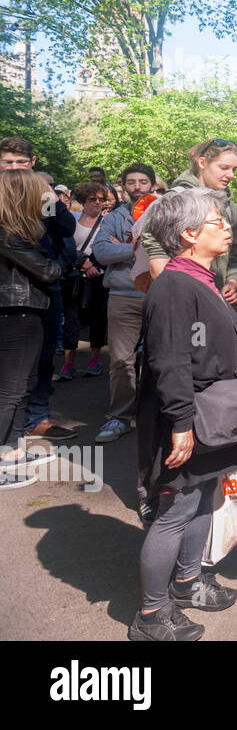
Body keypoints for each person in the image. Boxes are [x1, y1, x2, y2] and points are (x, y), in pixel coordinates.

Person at [130, 188, 237, 641]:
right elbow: (169, 360)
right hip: (186, 417)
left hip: (207, 414)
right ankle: (151, 616)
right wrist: (180, 425)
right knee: (175, 510)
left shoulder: (197, 277)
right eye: (218, 221)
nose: (228, 226)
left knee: (201, 497)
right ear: (188, 234)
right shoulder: (175, 286)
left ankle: (188, 582)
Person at [1, 144, 80, 441]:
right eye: (7, 162)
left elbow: (66, 228)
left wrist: (50, 198)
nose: (14, 168)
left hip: (43, 289)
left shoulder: (41, 195)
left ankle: (35, 419)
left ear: (32, 162)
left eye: (21, 162)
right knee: (10, 373)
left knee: (42, 359)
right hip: (12, 294)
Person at [1, 170, 64, 490]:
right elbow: (50, 270)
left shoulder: (17, 231)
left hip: (25, 311)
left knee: (22, 384)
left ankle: (10, 450)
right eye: (39, 194)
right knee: (10, 389)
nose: (46, 199)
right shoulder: (8, 233)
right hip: (16, 313)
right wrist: (63, 261)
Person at [91, 163, 157, 444]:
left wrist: (128, 247)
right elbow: (101, 251)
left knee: (163, 359)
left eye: (143, 181)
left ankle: (160, 415)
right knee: (121, 361)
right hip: (123, 296)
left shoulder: (163, 213)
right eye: (132, 182)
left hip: (159, 294)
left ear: (152, 185)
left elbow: (173, 247)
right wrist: (135, 247)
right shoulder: (114, 217)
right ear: (123, 185)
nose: (137, 187)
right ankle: (119, 416)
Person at [141, 138, 237, 306]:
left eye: (234, 169)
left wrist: (233, 282)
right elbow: (156, 255)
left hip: (215, 301)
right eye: (224, 168)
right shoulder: (175, 199)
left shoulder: (229, 208)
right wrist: (175, 295)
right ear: (202, 163)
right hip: (178, 302)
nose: (231, 175)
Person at [57, 182, 111, 381]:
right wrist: (84, 264)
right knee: (71, 320)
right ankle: (68, 364)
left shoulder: (108, 222)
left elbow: (110, 245)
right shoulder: (71, 220)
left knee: (98, 319)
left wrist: (95, 266)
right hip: (74, 277)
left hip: (100, 277)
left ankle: (94, 361)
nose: (98, 203)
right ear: (82, 201)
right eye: (93, 199)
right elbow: (64, 245)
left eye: (101, 199)